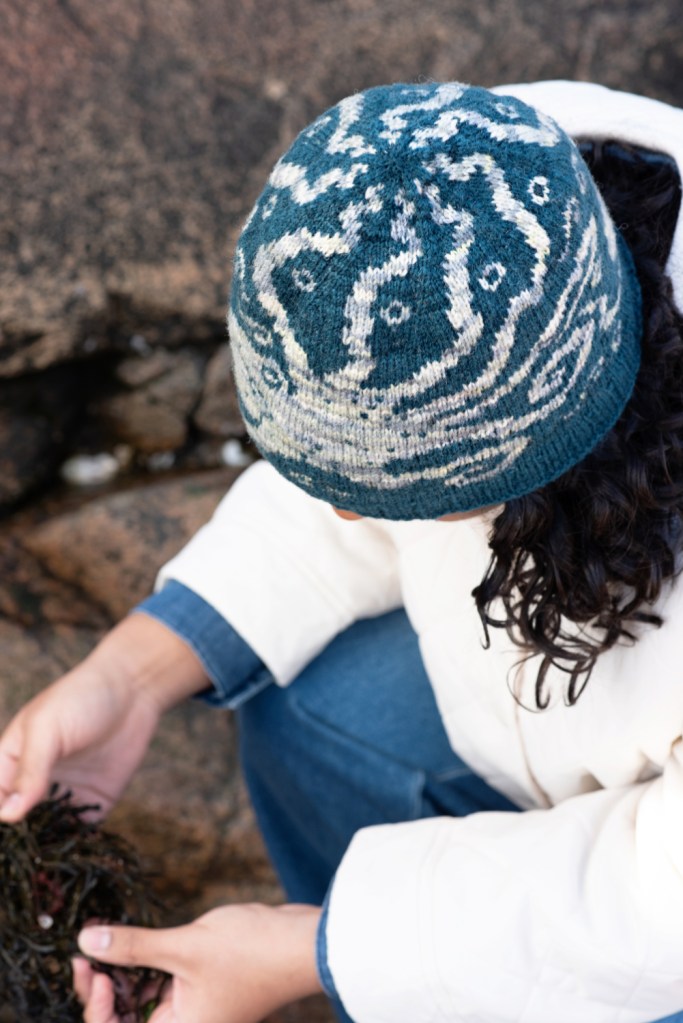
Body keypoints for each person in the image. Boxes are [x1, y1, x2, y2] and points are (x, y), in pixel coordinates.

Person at [2, 78, 683, 1023]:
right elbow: (350, 454)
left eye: (400, 499)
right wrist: (135, 672)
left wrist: (314, 950)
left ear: (546, 447)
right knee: (308, 707)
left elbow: (660, 903)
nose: (351, 518)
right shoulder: (459, 184)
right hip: (528, 730)